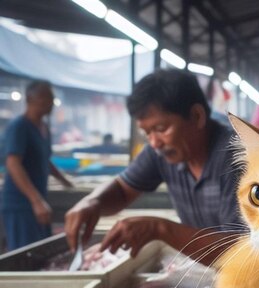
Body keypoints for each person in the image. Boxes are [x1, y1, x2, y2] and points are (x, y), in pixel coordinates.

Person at [64, 69, 242, 263]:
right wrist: (94, 202)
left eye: (161, 129)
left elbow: (238, 251)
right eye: (147, 132)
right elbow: (123, 190)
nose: (154, 142)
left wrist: (159, 229)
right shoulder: (163, 152)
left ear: (197, 116)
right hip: (206, 268)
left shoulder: (236, 158)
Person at [1, 80, 73, 251]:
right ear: (31, 99)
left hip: (38, 202)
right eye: (47, 97)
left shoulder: (43, 128)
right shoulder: (19, 127)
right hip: (20, 204)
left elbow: (44, 160)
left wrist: (65, 181)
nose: (51, 102)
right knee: (25, 254)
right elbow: (12, 163)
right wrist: (36, 200)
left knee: (42, 252)